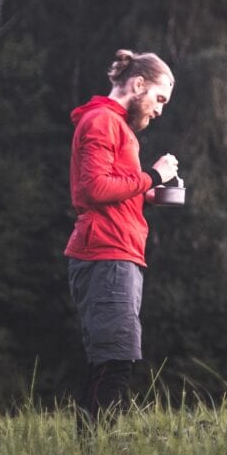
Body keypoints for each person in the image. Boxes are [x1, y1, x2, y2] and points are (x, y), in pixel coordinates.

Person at [65, 48, 179, 431]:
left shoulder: (117, 126)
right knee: (115, 361)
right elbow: (94, 188)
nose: (160, 110)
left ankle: (95, 450)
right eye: (159, 99)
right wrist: (153, 175)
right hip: (105, 254)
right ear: (138, 84)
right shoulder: (101, 122)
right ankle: (94, 454)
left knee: (114, 359)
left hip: (119, 253)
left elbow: (118, 187)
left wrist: (157, 192)